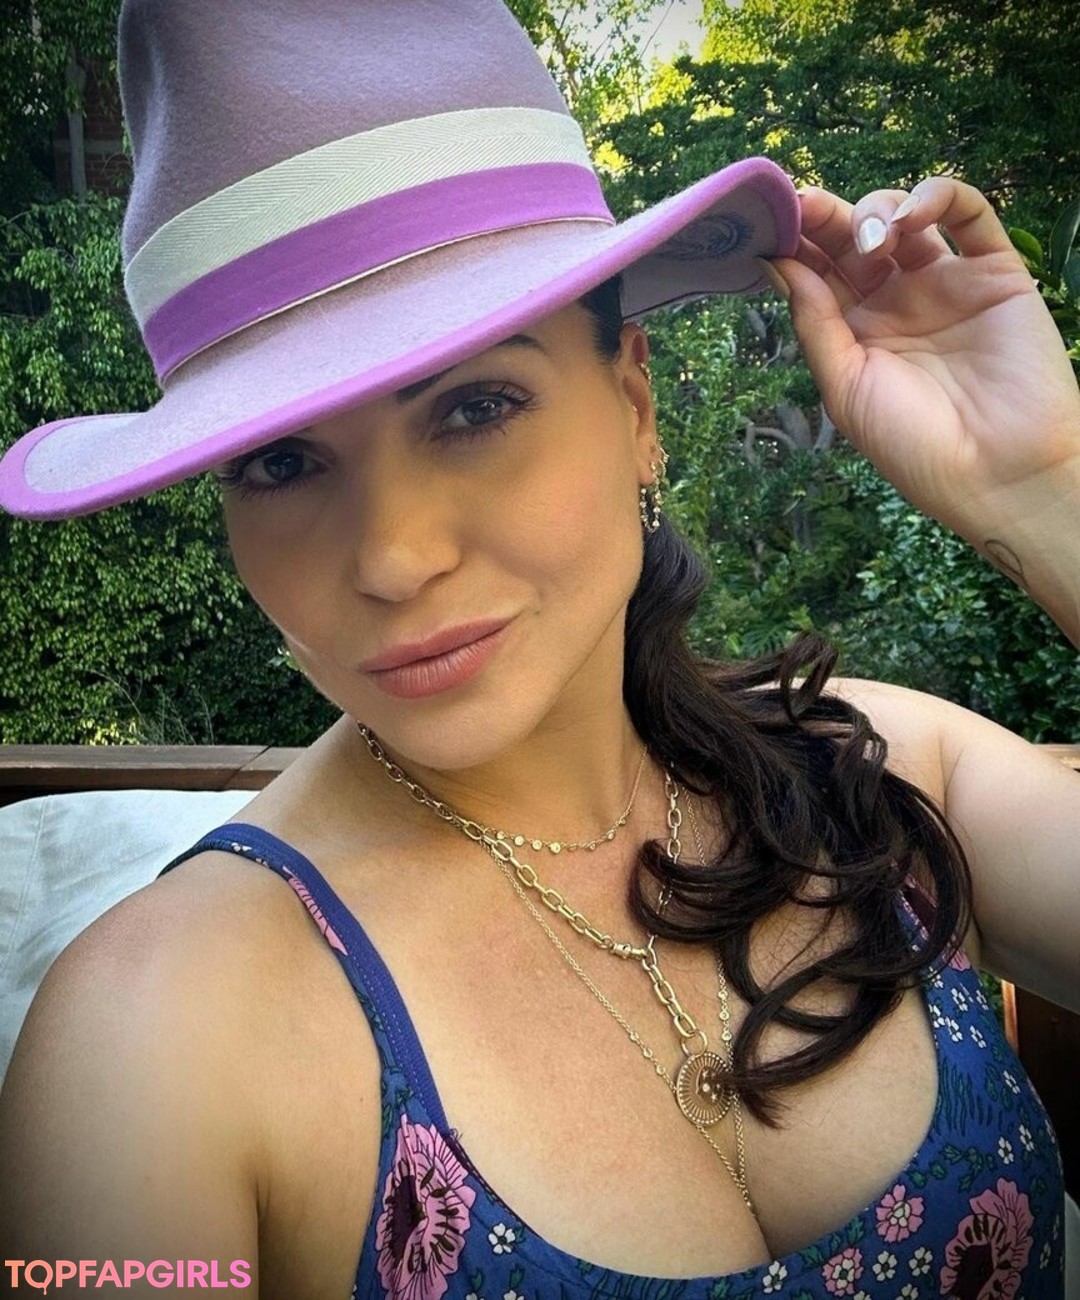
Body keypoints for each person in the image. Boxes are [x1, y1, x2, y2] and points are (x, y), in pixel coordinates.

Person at [0, 1, 1077, 1296]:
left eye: (475, 406)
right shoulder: (155, 1042)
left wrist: (1043, 494)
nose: (392, 558)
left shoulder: (885, 788)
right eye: (279, 463)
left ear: (634, 403)